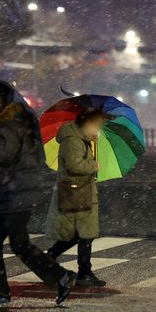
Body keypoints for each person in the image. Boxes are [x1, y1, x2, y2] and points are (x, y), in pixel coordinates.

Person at [0, 82, 75, 305]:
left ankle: (60, 277)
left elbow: (2, 156)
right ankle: (0, 290)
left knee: (8, 242)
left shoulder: (9, 125)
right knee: (0, 241)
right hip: (16, 193)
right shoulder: (13, 123)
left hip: (13, 194)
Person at [44, 109, 107, 287]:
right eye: (97, 124)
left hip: (81, 191)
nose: (98, 128)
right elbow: (75, 165)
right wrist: (94, 165)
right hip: (76, 192)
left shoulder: (80, 139)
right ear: (87, 123)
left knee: (78, 234)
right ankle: (83, 272)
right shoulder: (73, 141)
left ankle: (52, 259)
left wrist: (91, 142)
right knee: (82, 234)